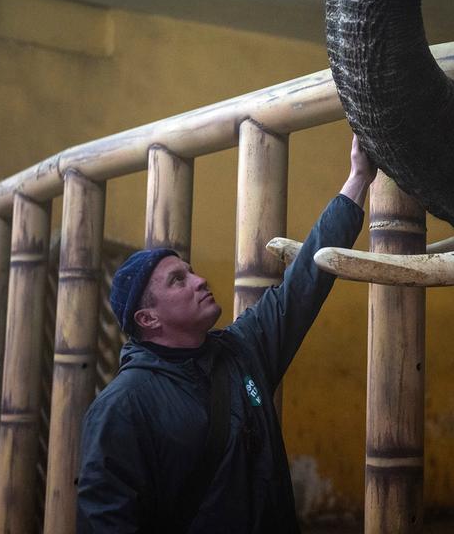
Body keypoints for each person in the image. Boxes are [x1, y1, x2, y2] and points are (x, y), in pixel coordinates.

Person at [76, 136, 376, 533]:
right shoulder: (122, 407)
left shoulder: (241, 350)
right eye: (178, 280)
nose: (200, 281)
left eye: (192, 270)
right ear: (148, 319)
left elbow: (304, 284)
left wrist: (358, 179)